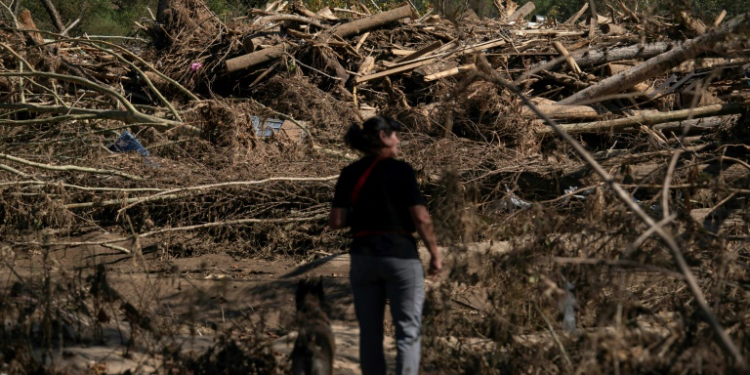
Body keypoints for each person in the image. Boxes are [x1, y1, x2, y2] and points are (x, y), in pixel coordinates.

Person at [328, 116, 441, 375]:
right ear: (382, 136)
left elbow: (336, 221)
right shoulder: (401, 170)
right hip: (400, 256)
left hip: (363, 257)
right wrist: (434, 253)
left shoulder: (350, 173)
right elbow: (421, 217)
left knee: (370, 333)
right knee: (408, 331)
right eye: (395, 134)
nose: (398, 139)